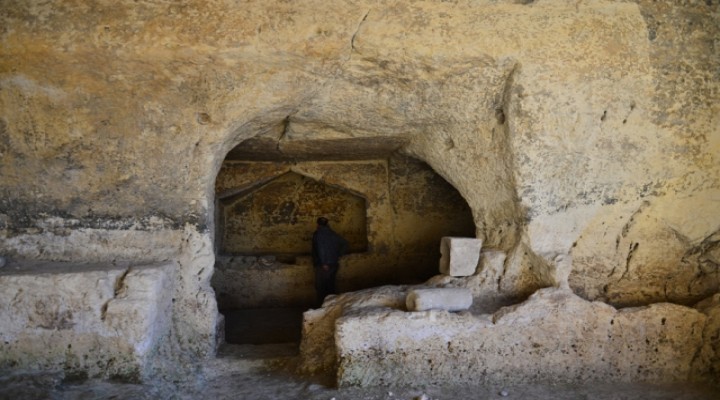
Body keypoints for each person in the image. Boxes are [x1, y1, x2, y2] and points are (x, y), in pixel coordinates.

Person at [311, 216, 348, 306]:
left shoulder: (318, 234)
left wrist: (324, 262)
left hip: (324, 265)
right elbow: (345, 243)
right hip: (333, 263)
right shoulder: (332, 233)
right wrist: (339, 254)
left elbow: (321, 249)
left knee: (321, 287)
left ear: (318, 225)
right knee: (330, 286)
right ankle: (332, 306)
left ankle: (322, 307)